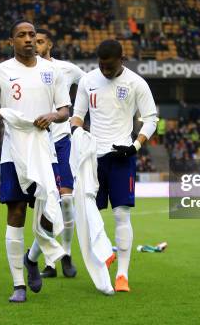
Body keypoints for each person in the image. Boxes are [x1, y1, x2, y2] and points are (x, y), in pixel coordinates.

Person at [0, 20, 71, 303]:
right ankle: (18, 284)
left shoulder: (52, 71)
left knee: (50, 215)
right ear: (11, 41)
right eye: (22, 35)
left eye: (32, 35)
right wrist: (1, 113)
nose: (28, 39)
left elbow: (65, 109)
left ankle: (32, 258)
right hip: (13, 152)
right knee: (16, 213)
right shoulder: (0, 72)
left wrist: (53, 116)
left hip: (45, 149)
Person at [70, 39, 158, 292]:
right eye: (101, 66)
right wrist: (76, 131)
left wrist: (136, 146)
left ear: (123, 59)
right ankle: (103, 255)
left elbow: (151, 119)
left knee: (121, 214)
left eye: (109, 67)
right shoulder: (88, 81)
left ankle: (122, 275)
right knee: (90, 215)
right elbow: (78, 115)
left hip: (122, 156)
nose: (105, 71)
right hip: (92, 158)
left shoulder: (136, 83)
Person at [35, 28, 86, 278]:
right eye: (33, 41)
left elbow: (89, 84)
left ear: (50, 45)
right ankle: (49, 262)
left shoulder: (67, 69)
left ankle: (65, 254)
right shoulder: (24, 72)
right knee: (46, 205)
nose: (35, 45)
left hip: (63, 140)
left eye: (40, 41)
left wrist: (81, 119)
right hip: (38, 144)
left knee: (66, 201)